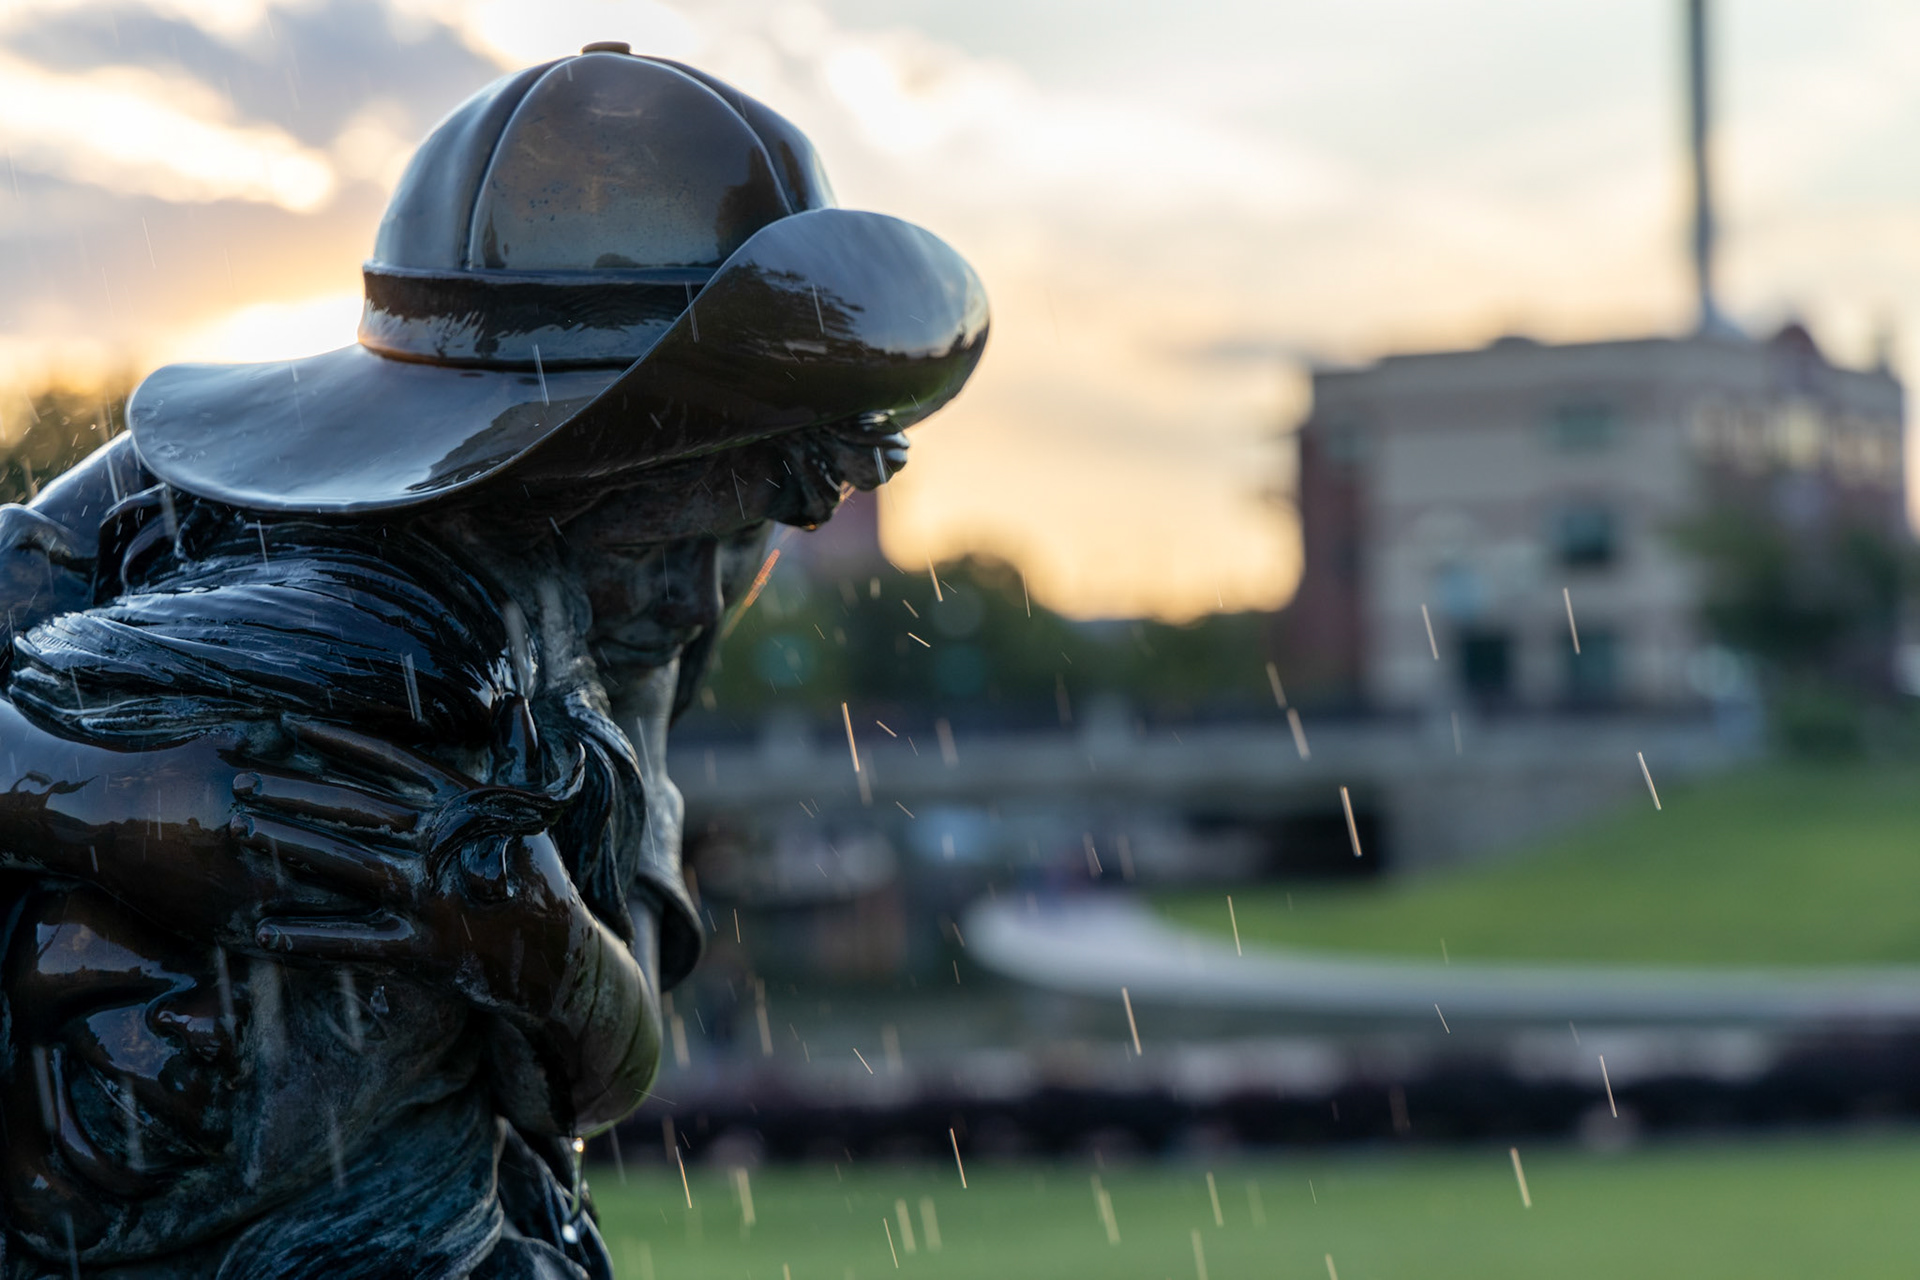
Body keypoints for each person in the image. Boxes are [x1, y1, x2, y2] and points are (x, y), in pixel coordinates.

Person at [0, 45, 984, 1279]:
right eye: (667, 539)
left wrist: (523, 937)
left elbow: (593, 1071)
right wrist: (92, 791)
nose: (692, 599)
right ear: (543, 470)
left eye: (738, 537)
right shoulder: (168, 522)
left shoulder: (632, 605)